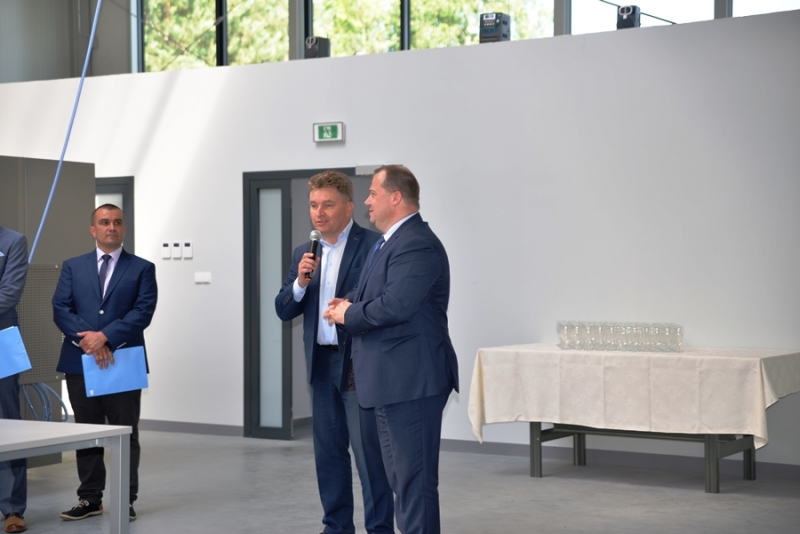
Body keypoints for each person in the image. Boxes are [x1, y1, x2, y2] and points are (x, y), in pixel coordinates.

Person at [324, 165, 459, 534]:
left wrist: (349, 313)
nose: (367, 201)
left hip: (410, 382)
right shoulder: (388, 242)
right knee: (402, 480)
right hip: (390, 382)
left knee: (413, 485)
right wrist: (347, 302)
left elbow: (396, 305)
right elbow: (372, 292)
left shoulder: (416, 243)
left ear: (396, 197)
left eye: (373, 193)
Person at [275, 171, 394, 534]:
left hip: (358, 364)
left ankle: (379, 528)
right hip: (321, 363)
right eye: (314, 205)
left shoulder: (374, 245)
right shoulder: (304, 252)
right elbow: (283, 308)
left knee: (368, 455)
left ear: (349, 207)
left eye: (328, 204)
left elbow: (381, 303)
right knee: (328, 454)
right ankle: (336, 527)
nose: (319, 213)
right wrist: (300, 283)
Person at [52, 204, 157, 522]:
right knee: (87, 432)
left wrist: (106, 337)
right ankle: (90, 499)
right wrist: (90, 341)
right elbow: (61, 307)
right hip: (79, 360)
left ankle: (125, 499)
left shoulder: (142, 268)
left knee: (126, 433)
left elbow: (143, 311)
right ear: (93, 229)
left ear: (124, 228)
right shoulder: (73, 266)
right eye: (104, 222)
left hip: (123, 359)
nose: (111, 227)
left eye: (117, 222)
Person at [0, 226, 29, 534]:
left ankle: (12, 508)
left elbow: (9, 292)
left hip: (2, 341)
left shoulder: (13, 241)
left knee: (7, 422)